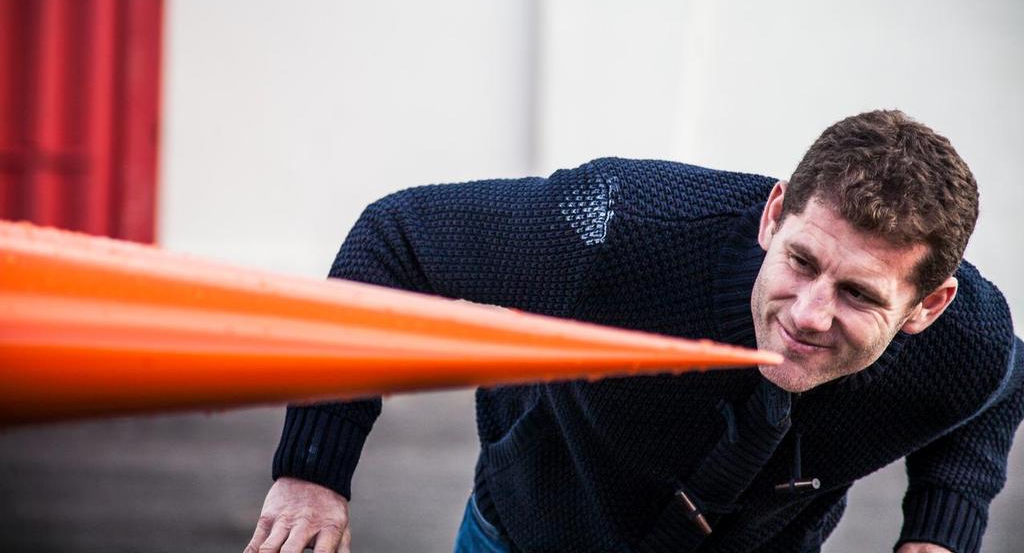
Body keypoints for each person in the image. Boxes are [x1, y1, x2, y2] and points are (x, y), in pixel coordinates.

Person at [244, 110, 1023, 553]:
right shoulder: (621, 224)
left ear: (928, 307)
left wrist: (940, 532)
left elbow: (998, 389)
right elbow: (395, 241)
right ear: (772, 215)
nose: (808, 314)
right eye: (801, 261)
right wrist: (316, 469)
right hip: (533, 532)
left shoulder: (969, 343)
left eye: (858, 294)